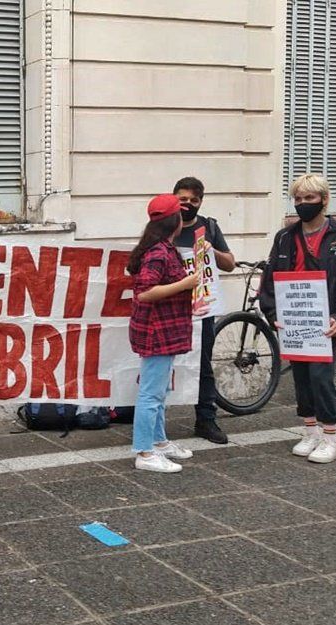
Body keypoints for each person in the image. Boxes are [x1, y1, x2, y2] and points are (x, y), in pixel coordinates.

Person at [258, 174, 336, 464]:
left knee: (321, 378)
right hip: (295, 321)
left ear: (324, 200)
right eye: (298, 199)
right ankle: (310, 432)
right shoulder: (284, 237)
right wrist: (272, 313)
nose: (303, 204)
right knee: (302, 377)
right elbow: (270, 279)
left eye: (309, 198)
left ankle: (330, 437)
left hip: (325, 322)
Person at [127, 194, 207, 473]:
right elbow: (145, 292)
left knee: (159, 391)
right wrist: (186, 284)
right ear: (174, 221)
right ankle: (145, 452)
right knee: (151, 394)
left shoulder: (161, 248)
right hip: (156, 332)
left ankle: (158, 442)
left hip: (163, 330)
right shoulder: (159, 253)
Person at [172, 176, 235, 444]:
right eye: (182, 199)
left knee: (203, 363)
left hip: (202, 308)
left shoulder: (208, 227)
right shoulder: (164, 225)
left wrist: (211, 250)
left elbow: (229, 263)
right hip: (171, 306)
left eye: (193, 201)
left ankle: (206, 419)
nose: (187, 204)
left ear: (201, 202)